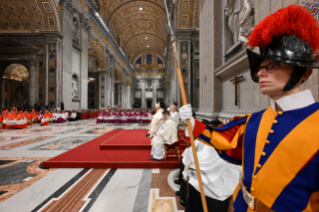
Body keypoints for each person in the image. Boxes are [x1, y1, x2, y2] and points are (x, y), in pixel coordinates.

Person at [179, 5, 319, 212]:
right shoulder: (254, 120)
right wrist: (192, 123)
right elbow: (223, 141)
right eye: (260, 68)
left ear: (303, 72)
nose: (260, 74)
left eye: (272, 66)